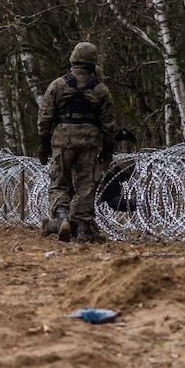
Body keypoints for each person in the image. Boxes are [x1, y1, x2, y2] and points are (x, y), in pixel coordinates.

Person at [37, 41, 117, 243]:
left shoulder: (58, 85)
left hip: (62, 141)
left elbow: (44, 117)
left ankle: (63, 218)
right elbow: (109, 125)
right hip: (89, 143)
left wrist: (43, 145)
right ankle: (82, 229)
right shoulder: (101, 89)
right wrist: (107, 152)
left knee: (59, 183)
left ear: (73, 59)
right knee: (85, 186)